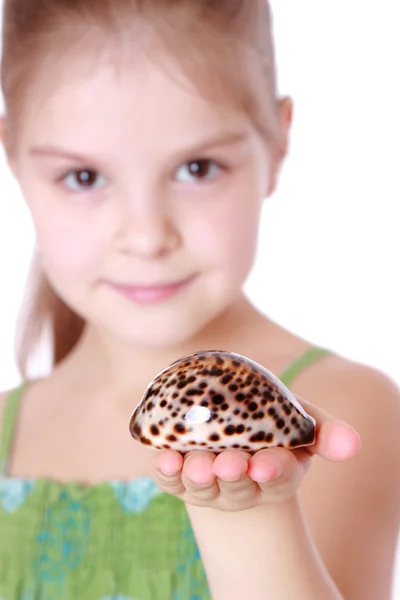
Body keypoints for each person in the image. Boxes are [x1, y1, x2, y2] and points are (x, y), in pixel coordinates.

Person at [0, 0, 399, 598]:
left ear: (279, 142)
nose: (146, 235)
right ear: (11, 155)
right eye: (84, 177)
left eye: (197, 168)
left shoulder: (339, 415)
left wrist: (250, 513)